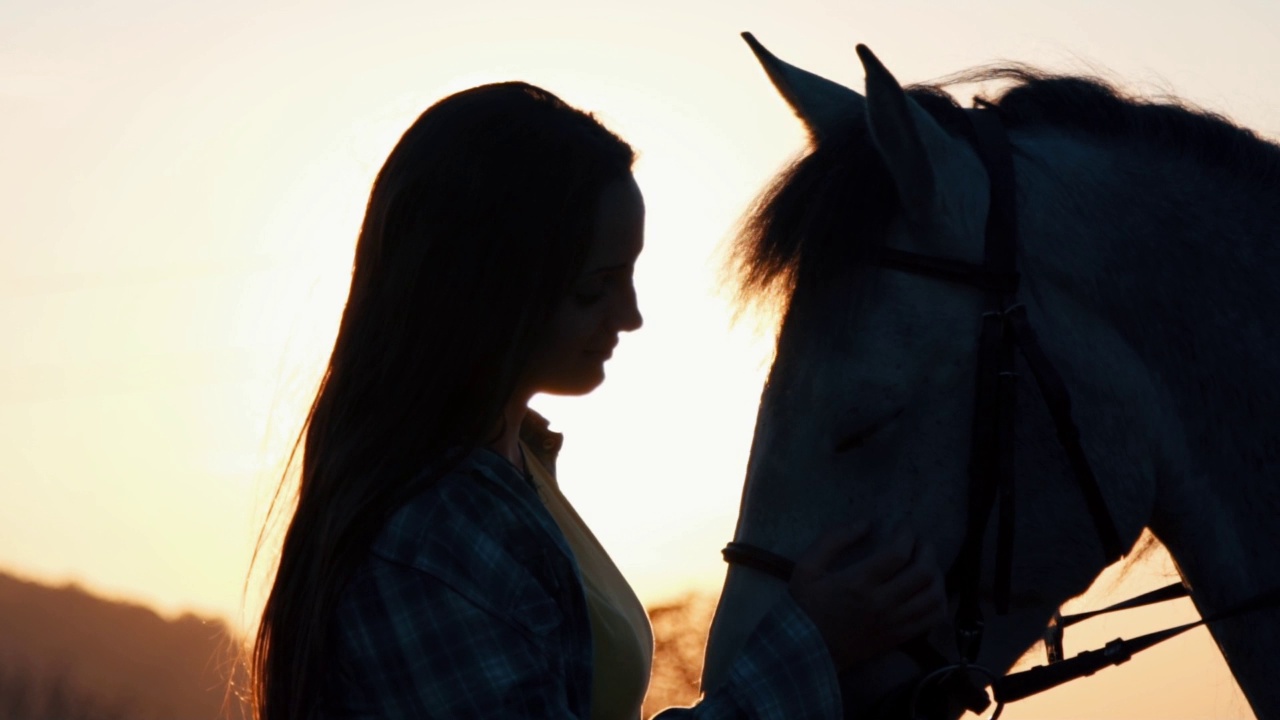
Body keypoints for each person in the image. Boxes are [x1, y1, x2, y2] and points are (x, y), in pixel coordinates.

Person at [249, 81, 947, 720]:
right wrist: (813, 650)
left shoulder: (514, 466)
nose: (631, 315)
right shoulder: (427, 536)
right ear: (487, 292)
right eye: (596, 287)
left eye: (631, 275)